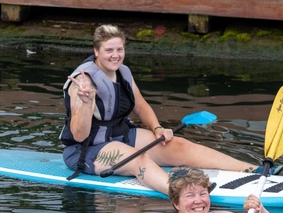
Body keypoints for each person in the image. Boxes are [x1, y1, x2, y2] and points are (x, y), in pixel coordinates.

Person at [60, 24, 257, 194]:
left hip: (121, 135)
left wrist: (157, 129)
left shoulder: (123, 71)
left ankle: (251, 169)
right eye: (109, 50)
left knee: (178, 145)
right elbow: (78, 135)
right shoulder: (83, 82)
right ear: (96, 51)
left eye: (119, 49)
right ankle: (183, 193)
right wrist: (86, 103)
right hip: (87, 149)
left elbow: (140, 105)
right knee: (139, 159)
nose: (115, 55)